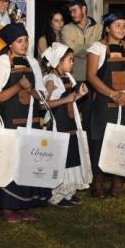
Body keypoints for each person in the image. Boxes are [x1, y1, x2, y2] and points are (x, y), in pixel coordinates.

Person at [0, 23, 50, 222]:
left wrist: (36, 92)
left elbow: (41, 92)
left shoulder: (32, 62)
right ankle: (8, 206)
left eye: (26, 41)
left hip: (31, 118)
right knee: (11, 160)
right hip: (11, 118)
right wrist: (18, 86)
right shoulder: (2, 62)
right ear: (10, 44)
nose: (24, 45)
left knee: (28, 160)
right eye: (19, 41)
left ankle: (24, 203)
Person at [85, 12, 125, 199]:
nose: (122, 29)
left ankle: (117, 181)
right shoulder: (97, 48)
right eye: (118, 25)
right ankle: (97, 182)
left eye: (124, 26)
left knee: (122, 141)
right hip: (103, 102)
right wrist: (112, 94)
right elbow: (91, 76)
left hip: (124, 103)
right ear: (107, 28)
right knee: (100, 140)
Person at [42, 42, 89, 207]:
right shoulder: (51, 80)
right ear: (59, 61)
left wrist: (80, 95)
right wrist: (66, 99)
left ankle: (68, 191)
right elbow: (44, 104)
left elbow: (71, 98)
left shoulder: (68, 77)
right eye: (70, 60)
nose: (72, 63)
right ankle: (56, 194)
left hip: (69, 123)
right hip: (58, 123)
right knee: (60, 158)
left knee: (71, 156)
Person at [60, 0, 103, 80]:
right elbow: (71, 51)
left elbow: (101, 50)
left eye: (74, 10)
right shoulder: (66, 29)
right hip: (75, 78)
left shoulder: (99, 28)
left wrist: (79, 48)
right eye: (71, 11)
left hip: (96, 78)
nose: (72, 14)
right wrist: (93, 47)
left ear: (83, 9)